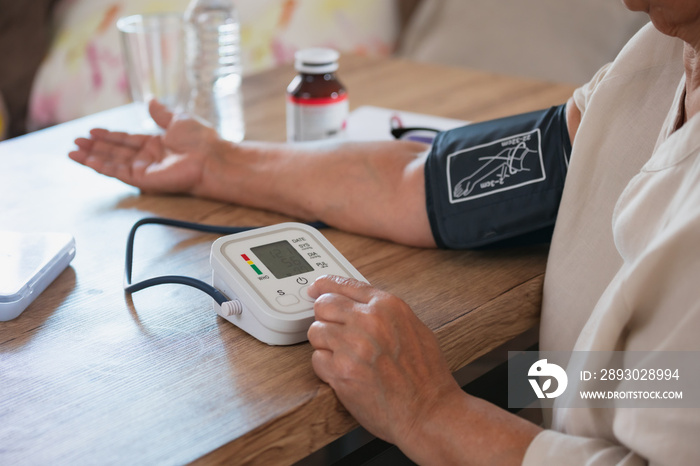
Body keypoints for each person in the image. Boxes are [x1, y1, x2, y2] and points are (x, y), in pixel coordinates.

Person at [69, 0, 700, 463]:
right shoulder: (662, 58)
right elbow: (430, 185)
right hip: (584, 385)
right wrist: (221, 163)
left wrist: (430, 410)